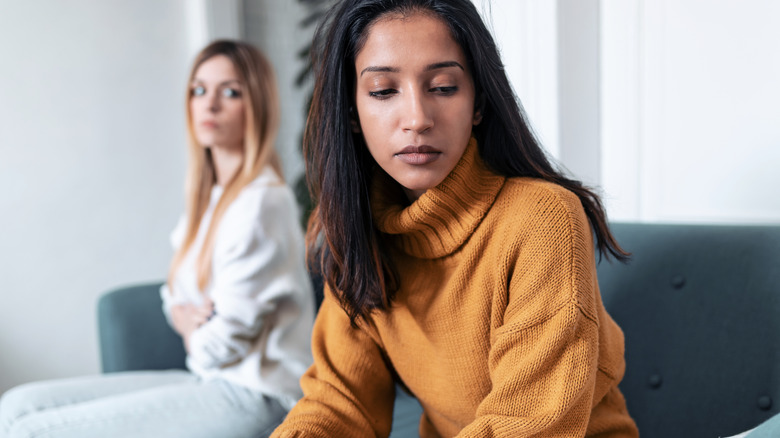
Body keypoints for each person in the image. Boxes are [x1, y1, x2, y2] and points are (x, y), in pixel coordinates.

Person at [271, 0, 639, 437]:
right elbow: (339, 402)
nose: (417, 119)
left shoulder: (543, 219)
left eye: (443, 87)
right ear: (351, 112)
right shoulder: (358, 233)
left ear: (478, 103)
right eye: (384, 91)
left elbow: (528, 425)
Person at [0, 40, 315, 438]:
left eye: (230, 92)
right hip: (212, 381)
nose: (209, 105)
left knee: (29, 431)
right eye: (199, 90)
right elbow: (175, 295)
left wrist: (188, 326)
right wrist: (187, 317)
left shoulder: (262, 203)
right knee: (14, 406)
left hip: (258, 395)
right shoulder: (211, 199)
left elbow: (215, 347)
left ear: (257, 106)